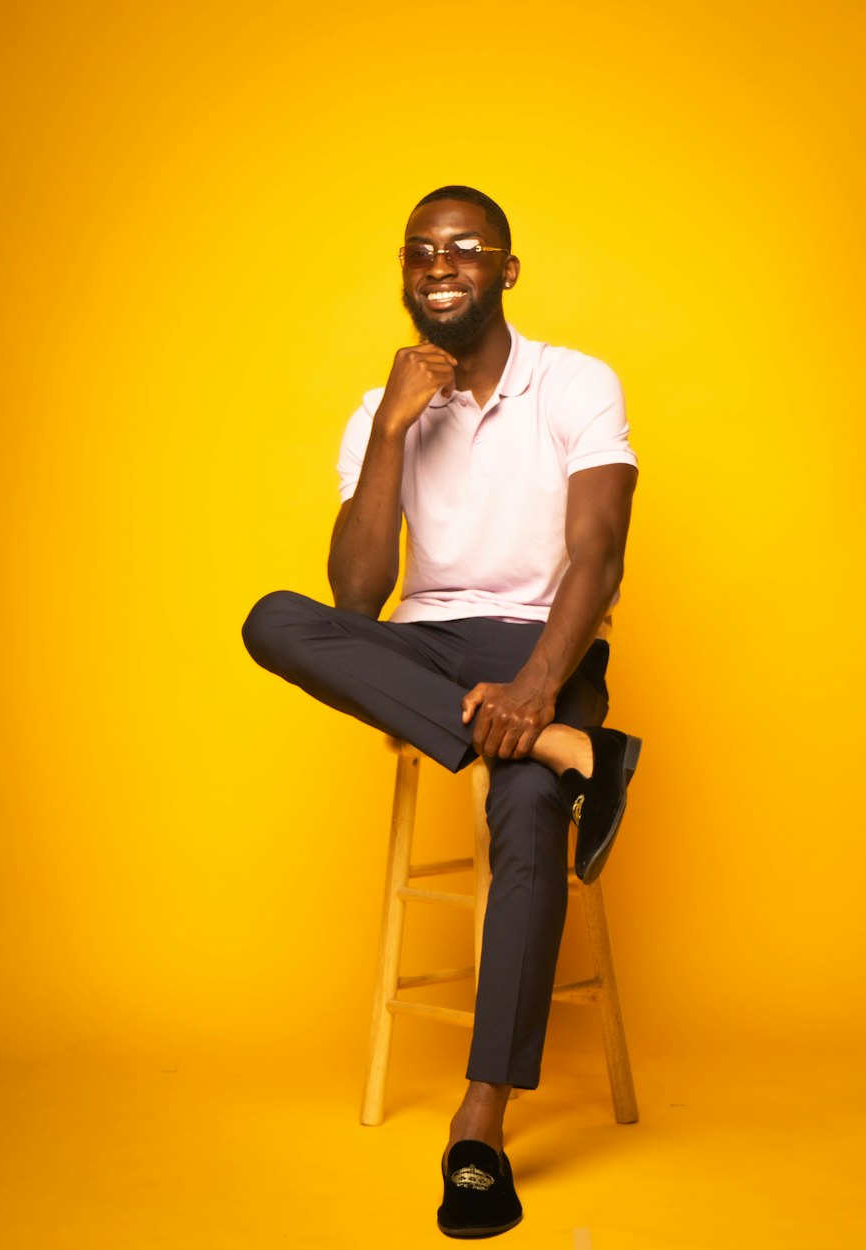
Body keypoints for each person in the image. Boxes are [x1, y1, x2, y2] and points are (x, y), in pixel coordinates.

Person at [242, 185, 641, 1239]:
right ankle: (576, 754)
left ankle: (480, 1120)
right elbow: (354, 599)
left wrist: (538, 687)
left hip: (541, 642)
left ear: (507, 269)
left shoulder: (575, 383)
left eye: (464, 247)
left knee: (522, 816)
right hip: (423, 647)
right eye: (420, 251)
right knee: (274, 618)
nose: (439, 264)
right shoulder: (383, 407)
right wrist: (387, 430)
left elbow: (598, 556)